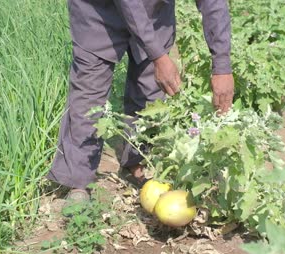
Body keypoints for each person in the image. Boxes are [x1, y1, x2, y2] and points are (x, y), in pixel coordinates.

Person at [46, 0, 235, 200]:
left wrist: (222, 66)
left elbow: (213, 3)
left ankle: (137, 160)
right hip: (97, 12)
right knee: (89, 92)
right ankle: (78, 180)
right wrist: (159, 56)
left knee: (149, 93)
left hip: (153, 13)